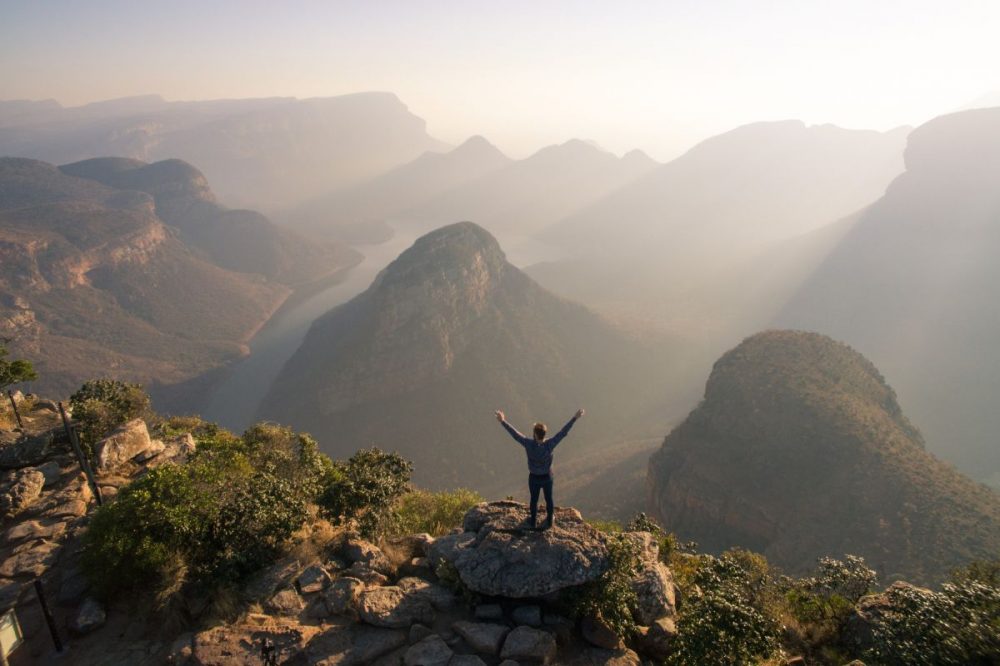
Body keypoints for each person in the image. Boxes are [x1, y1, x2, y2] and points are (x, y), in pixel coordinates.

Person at [495, 407, 585, 529]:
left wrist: (503, 421)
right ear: (544, 434)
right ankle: (549, 521)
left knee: (534, 500)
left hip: (534, 478)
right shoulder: (550, 444)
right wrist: (575, 418)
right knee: (549, 499)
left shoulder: (528, 444)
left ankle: (533, 521)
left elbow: (515, 435)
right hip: (547, 477)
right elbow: (563, 432)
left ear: (535, 435)